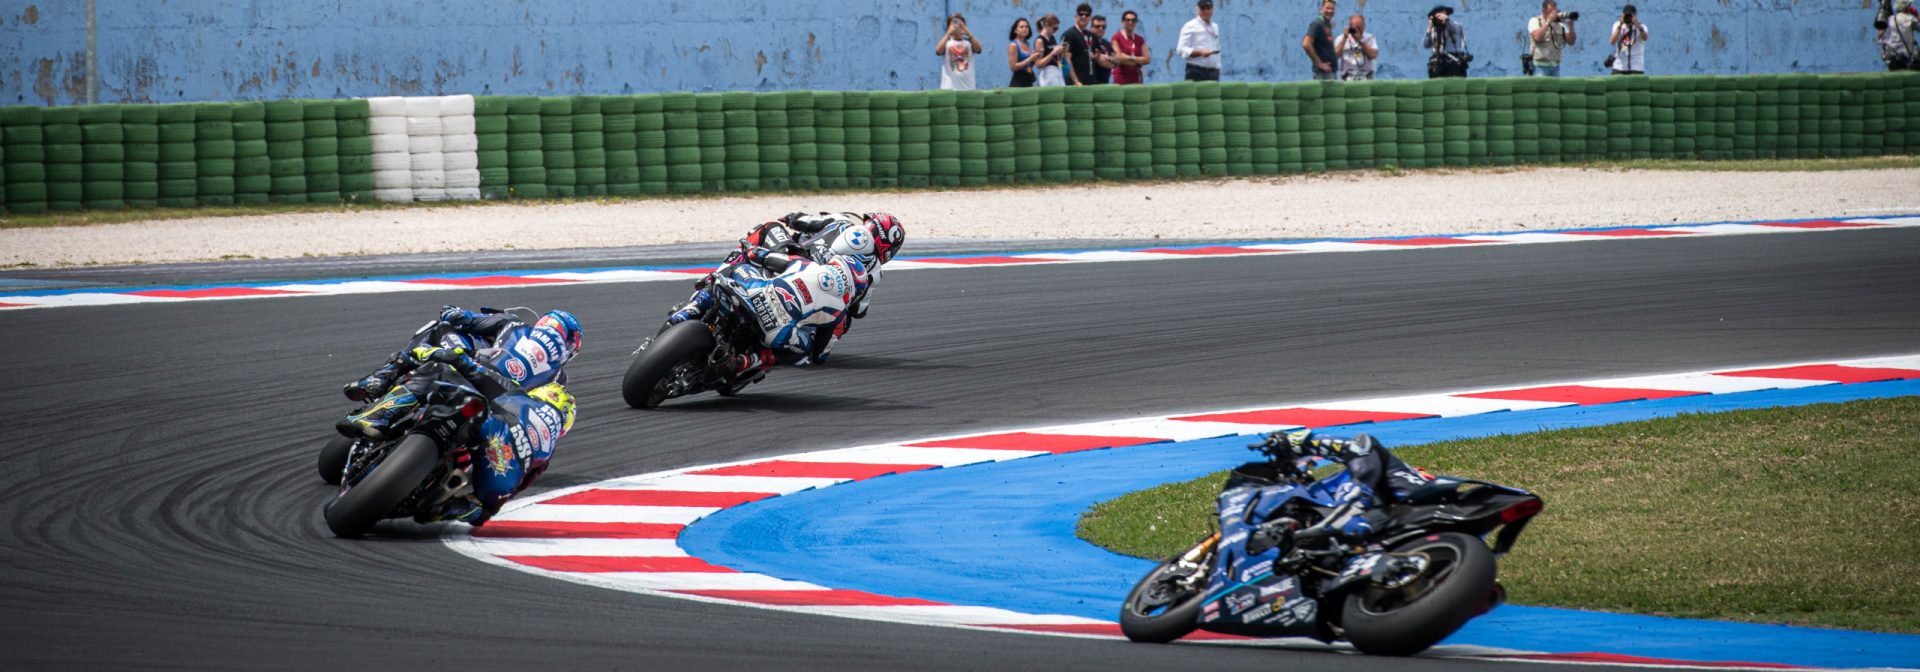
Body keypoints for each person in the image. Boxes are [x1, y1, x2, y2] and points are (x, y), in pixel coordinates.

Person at [338, 306, 583, 525]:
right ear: (570, 353)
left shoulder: (514, 325)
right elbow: (543, 427)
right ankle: (470, 503)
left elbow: (463, 319)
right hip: (499, 406)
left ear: (542, 323)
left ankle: (378, 403)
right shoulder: (558, 380)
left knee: (430, 356)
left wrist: (453, 312)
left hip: (473, 372)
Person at [669, 212, 904, 361]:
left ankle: (701, 295)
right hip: (809, 291)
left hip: (787, 259)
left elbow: (799, 219)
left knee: (760, 235)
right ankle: (778, 354)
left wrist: (789, 224)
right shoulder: (873, 271)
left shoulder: (839, 221)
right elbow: (858, 311)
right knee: (841, 321)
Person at [1258, 429, 1435, 538]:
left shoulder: (1385, 469)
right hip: (1393, 529)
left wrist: (1299, 442)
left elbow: (1361, 446)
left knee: (1362, 452)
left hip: (1410, 503)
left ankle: (1349, 513)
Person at [1526, 0, 1578, 77]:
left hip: (1555, 67)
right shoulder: (1535, 21)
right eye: (1551, 11)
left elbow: (1571, 41)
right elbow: (1537, 37)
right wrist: (1548, 22)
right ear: (1544, 10)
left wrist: (1571, 26)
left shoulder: (1560, 24)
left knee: (1554, 89)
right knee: (1541, 89)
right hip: (1539, 67)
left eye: (1555, 10)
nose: (1554, 13)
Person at [936, 13, 983, 91]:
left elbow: (979, 49)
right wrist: (948, 33)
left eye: (960, 24)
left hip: (968, 88)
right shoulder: (947, 43)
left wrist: (967, 32)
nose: (957, 26)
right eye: (954, 23)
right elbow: (938, 51)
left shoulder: (969, 43)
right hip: (949, 89)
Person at [1178, 0, 1222, 81]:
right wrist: (1200, 52)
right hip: (1196, 71)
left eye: (1208, 8)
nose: (1206, 11)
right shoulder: (1190, 26)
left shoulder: (1215, 27)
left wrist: (1218, 67)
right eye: (1203, 8)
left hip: (1213, 72)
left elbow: (1216, 46)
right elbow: (1181, 49)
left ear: (1212, 9)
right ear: (1197, 10)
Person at [1422, 5, 1470, 78]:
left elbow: (1457, 29)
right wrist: (1429, 28)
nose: (1439, 17)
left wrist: (1447, 20)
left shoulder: (1455, 25)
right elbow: (1426, 45)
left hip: (1451, 62)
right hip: (1437, 63)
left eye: (1442, 13)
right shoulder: (1433, 29)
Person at [1110, 10, 1151, 85]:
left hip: (1136, 78)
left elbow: (1147, 59)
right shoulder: (1116, 37)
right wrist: (1138, 61)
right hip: (1121, 78)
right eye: (1128, 20)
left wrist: (1131, 58)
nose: (1130, 22)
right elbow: (1118, 57)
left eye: (1133, 20)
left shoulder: (1140, 39)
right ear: (1123, 22)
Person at [1302, 1, 1339, 81]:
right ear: (1321, 9)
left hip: (1330, 72)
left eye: (1332, 9)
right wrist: (1319, 63)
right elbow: (1306, 44)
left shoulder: (1327, 24)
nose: (1330, 11)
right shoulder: (1317, 24)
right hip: (1322, 74)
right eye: (1327, 8)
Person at [1335, 13, 1378, 81]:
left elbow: (1374, 55)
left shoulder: (1370, 38)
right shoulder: (1341, 38)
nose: (1357, 30)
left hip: (1366, 79)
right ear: (1350, 26)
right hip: (1347, 79)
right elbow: (1335, 55)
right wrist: (1344, 39)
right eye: (1355, 27)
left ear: (1364, 26)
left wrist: (1360, 41)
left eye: (1359, 27)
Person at [1062, 4, 1097, 86]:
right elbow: (1066, 59)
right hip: (1076, 84)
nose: (1084, 17)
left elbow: (1097, 56)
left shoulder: (1092, 35)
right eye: (1081, 14)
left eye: (1087, 15)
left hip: (1092, 82)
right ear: (1076, 17)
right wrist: (1075, 80)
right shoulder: (1069, 34)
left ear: (1090, 18)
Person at [1608, 4, 1647, 75]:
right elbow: (1611, 41)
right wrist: (1620, 25)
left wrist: (1639, 27)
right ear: (1622, 15)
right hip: (1619, 67)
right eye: (1627, 15)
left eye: (1631, 16)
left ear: (1635, 16)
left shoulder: (1641, 27)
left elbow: (1645, 38)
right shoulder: (1617, 25)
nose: (1629, 18)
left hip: (1636, 67)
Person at [1882, 0, 1920, 71]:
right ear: (1906, 7)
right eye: (1909, 5)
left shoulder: (1890, 19)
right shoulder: (1910, 19)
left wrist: (1884, 53)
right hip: (1907, 57)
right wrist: (1917, 14)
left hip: (1893, 57)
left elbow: (1882, 37)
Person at [1034, 14, 1070, 87]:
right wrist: (1053, 53)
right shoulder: (1039, 41)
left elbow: (1057, 58)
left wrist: (1063, 51)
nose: (1055, 31)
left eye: (1057, 29)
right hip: (1047, 74)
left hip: (1057, 71)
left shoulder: (1052, 38)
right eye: (1054, 28)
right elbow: (1038, 64)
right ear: (1046, 25)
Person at [1007, 17, 1040, 87]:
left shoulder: (1026, 44)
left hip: (1028, 79)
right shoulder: (1013, 45)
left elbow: (1028, 64)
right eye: (1021, 27)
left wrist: (1035, 58)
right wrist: (1030, 59)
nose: (1024, 29)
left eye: (1026, 27)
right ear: (1015, 30)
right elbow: (1013, 67)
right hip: (1019, 81)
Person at [1087, 15, 1116, 85]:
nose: (1101, 29)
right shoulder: (1087, 42)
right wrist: (1103, 59)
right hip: (1090, 84)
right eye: (1097, 26)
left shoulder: (1106, 43)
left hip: (1104, 83)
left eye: (1103, 27)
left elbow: (1115, 61)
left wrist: (1106, 59)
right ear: (1091, 27)